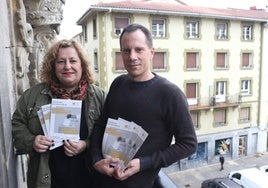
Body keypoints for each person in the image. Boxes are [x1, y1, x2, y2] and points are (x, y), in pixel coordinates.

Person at [90, 23, 197, 188]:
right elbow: (100, 125)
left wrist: (144, 163)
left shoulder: (170, 94)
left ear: (151, 52)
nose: (132, 56)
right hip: (102, 180)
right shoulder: (118, 83)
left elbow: (188, 144)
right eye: (126, 50)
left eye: (139, 50)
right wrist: (97, 160)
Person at [12, 39, 106, 188]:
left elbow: (109, 135)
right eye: (61, 61)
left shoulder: (100, 97)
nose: (67, 66)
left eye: (73, 61)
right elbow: (17, 124)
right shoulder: (33, 96)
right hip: (47, 182)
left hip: (90, 180)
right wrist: (32, 141)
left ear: (82, 65)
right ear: (52, 66)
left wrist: (85, 144)